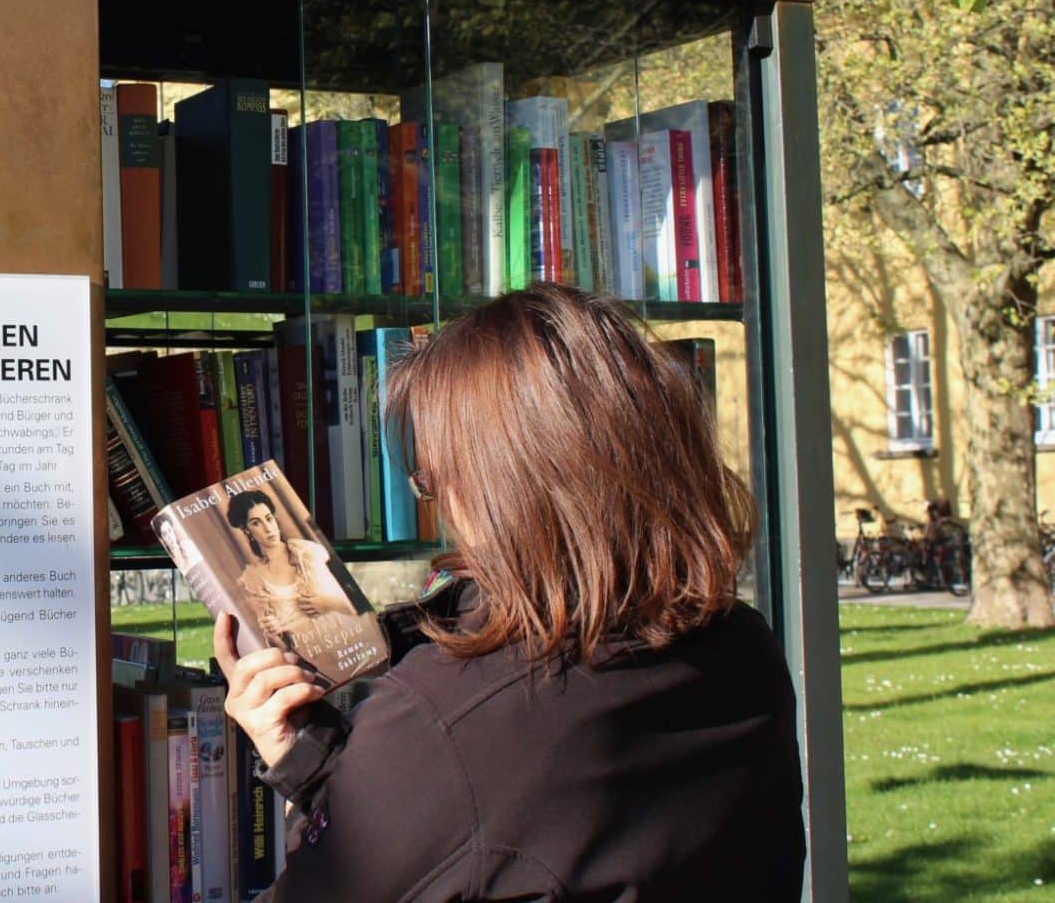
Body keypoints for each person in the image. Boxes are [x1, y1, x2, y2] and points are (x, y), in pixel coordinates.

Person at [216, 284, 804, 901]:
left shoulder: (447, 718)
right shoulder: (742, 647)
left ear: (503, 488)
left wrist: (309, 767)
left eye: (437, 480)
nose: (444, 509)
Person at [225, 489, 359, 652]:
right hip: (308, 658)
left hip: (346, 642)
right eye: (256, 523)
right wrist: (273, 633)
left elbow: (350, 610)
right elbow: (280, 646)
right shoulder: (254, 579)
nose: (268, 528)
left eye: (269, 519)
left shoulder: (307, 553)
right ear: (247, 530)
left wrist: (327, 604)